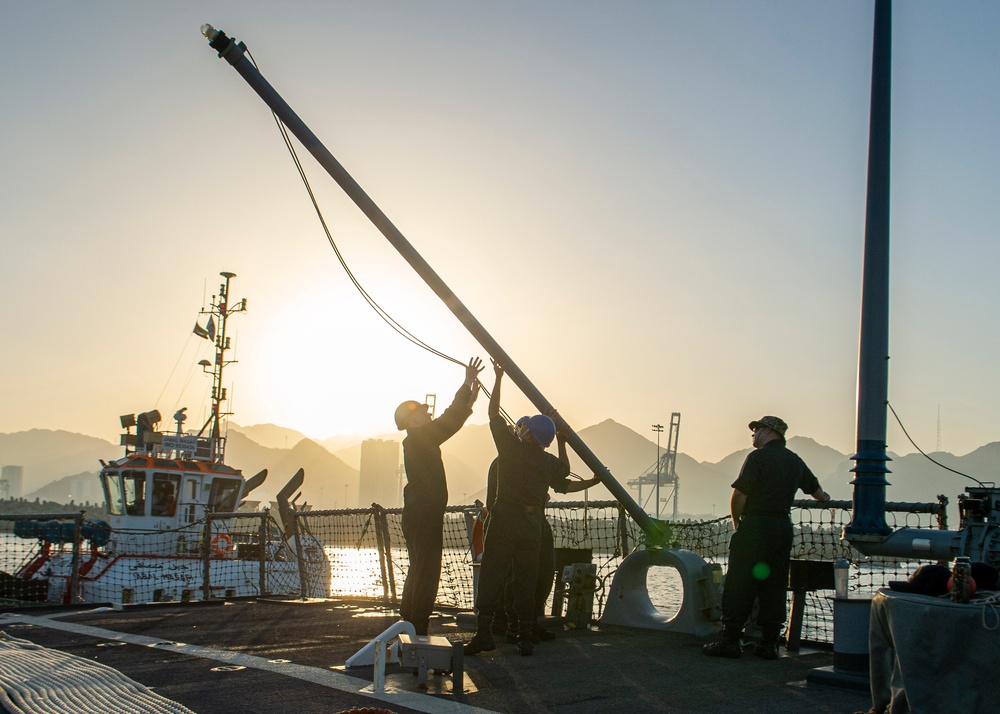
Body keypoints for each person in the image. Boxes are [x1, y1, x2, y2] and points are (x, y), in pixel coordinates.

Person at [465, 360, 580, 656]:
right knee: (527, 580)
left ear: (527, 434)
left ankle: (484, 632)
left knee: (492, 574)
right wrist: (564, 442)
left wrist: (499, 378)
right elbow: (565, 472)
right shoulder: (547, 463)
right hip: (532, 528)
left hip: (504, 522)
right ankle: (525, 636)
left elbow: (492, 414)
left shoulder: (509, 451)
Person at [704, 415, 831, 660]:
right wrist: (826, 499)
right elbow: (817, 493)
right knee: (774, 583)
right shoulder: (795, 461)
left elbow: (739, 494)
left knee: (741, 582)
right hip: (781, 528)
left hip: (755, 526)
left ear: (769, 431)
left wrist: (737, 522)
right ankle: (770, 643)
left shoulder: (757, 458)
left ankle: (730, 640)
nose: (753, 434)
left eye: (756, 430)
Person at [485, 424, 599, 644]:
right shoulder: (507, 460)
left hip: (535, 524)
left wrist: (590, 483)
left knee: (541, 575)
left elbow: (562, 483)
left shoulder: (533, 461)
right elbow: (562, 477)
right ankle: (514, 624)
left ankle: (529, 622)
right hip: (512, 525)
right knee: (515, 579)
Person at [396, 357, 483, 636]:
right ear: (412, 420)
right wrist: (467, 384)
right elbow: (449, 420)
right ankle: (417, 627)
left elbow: (450, 420)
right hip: (425, 513)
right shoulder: (421, 437)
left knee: (418, 569)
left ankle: (409, 622)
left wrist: (468, 402)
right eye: (422, 411)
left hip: (419, 513)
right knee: (427, 571)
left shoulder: (417, 439)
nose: (427, 412)